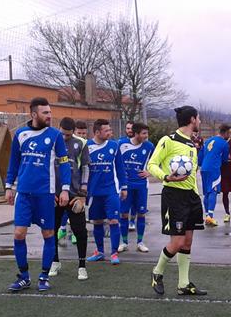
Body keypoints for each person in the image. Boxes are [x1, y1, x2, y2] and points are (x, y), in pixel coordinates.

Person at [4, 97, 71, 292]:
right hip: (24, 193)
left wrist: (65, 189)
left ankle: (44, 276)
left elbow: (64, 163)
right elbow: (13, 161)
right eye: (45, 113)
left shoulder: (55, 135)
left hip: (45, 194)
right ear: (34, 114)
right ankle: (24, 277)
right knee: (19, 233)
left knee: (48, 233)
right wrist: (9, 186)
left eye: (50, 112)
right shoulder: (20, 134)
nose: (49, 115)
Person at [147, 105, 207, 296]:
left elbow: (192, 174)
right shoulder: (168, 140)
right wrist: (166, 177)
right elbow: (152, 164)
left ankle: (183, 284)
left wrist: (196, 195)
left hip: (192, 196)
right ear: (192, 120)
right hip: (174, 196)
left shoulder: (192, 144)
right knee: (178, 242)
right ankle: (157, 273)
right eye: (198, 118)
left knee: (187, 242)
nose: (200, 121)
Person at [49, 117, 90, 280]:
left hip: (74, 195)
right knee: (51, 230)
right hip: (54, 194)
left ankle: (82, 266)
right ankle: (55, 261)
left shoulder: (81, 143)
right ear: (58, 128)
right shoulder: (51, 141)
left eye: (68, 134)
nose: (64, 137)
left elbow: (85, 168)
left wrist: (83, 193)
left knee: (80, 231)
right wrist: (48, 192)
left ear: (73, 132)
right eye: (62, 134)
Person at [85, 119, 128, 265]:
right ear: (97, 132)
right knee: (97, 221)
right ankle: (100, 252)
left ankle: (114, 253)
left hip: (111, 190)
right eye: (107, 130)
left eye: (110, 130)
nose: (110, 132)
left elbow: (120, 168)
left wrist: (124, 187)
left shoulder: (114, 146)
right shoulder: (87, 146)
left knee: (114, 220)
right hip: (93, 192)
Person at [118, 121, 154, 252]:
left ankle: (140, 242)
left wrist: (149, 172)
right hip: (126, 185)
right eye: (144, 133)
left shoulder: (149, 146)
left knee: (141, 213)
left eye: (147, 133)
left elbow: (156, 162)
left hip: (141, 185)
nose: (146, 136)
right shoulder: (121, 144)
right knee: (123, 214)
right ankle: (124, 242)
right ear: (136, 133)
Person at [199, 124, 231, 226]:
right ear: (226, 132)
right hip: (214, 169)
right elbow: (225, 159)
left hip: (204, 168)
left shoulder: (208, 140)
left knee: (207, 193)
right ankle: (210, 217)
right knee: (213, 191)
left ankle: (207, 216)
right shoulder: (224, 143)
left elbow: (200, 156)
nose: (230, 135)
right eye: (229, 133)